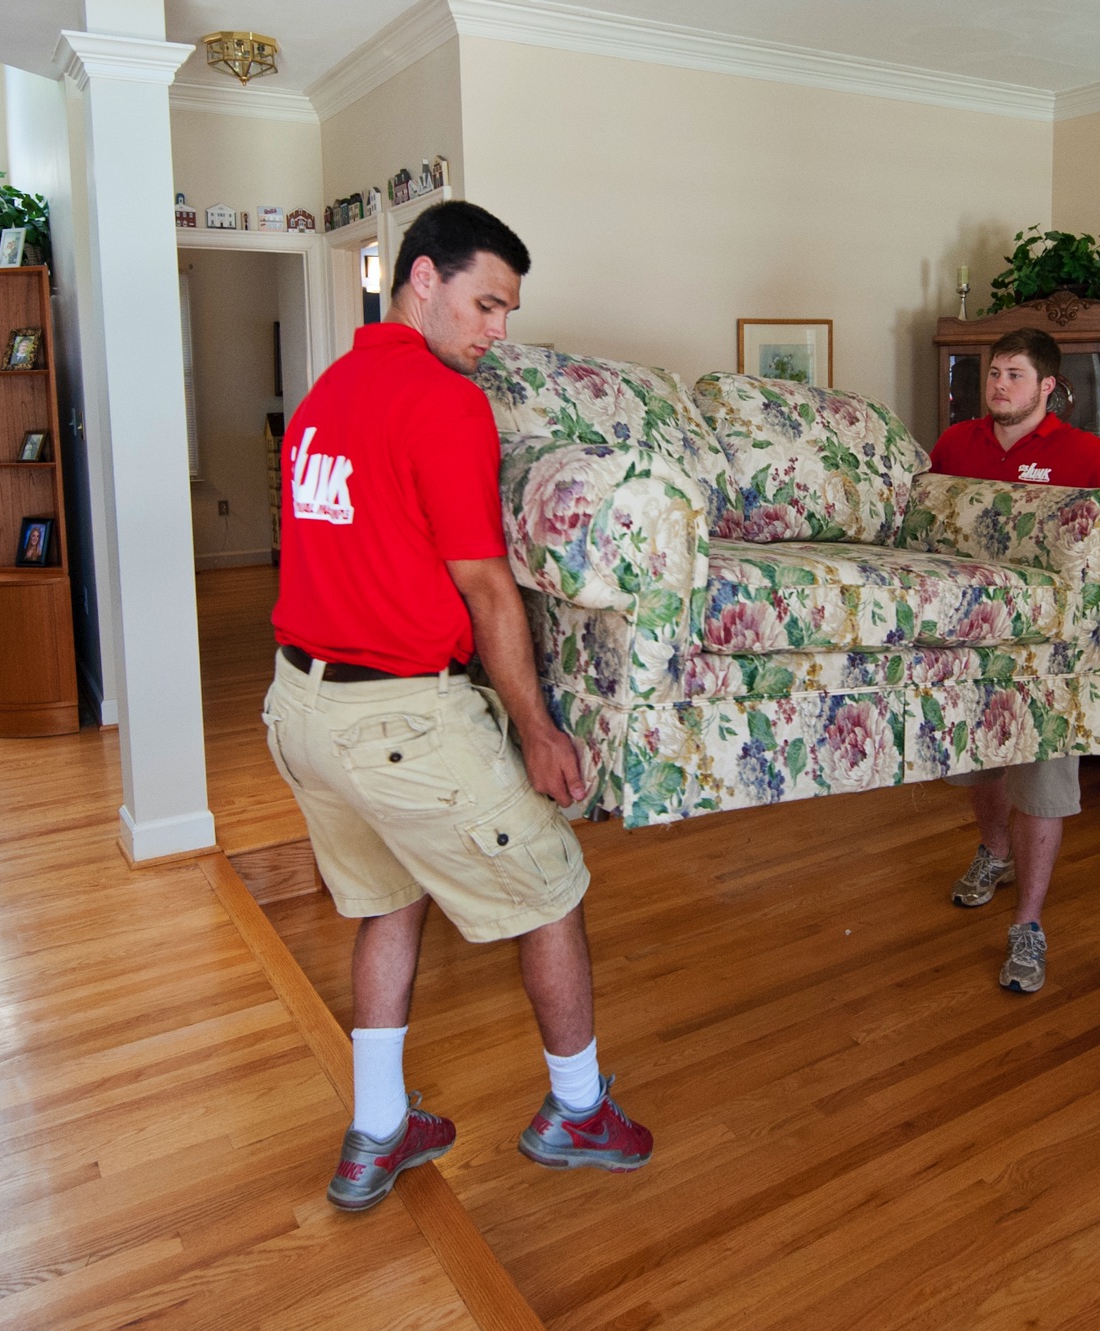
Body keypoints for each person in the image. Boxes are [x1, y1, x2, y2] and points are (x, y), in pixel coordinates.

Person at [265, 201, 652, 1212]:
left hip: (300, 711)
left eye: (507, 311)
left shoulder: (324, 393)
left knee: (387, 898)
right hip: (399, 717)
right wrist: (537, 729)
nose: (496, 331)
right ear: (422, 279)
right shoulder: (440, 402)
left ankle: (378, 1128)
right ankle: (575, 1109)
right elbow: (486, 587)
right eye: (484, 303)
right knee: (552, 888)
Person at [932, 327, 1100, 993]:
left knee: (1042, 778)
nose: (998, 386)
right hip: (974, 639)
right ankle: (993, 850)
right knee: (977, 760)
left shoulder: (1085, 452)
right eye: (993, 374)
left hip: (1055, 651)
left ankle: (1029, 924)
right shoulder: (957, 445)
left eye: (1014, 375)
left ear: (1046, 387)